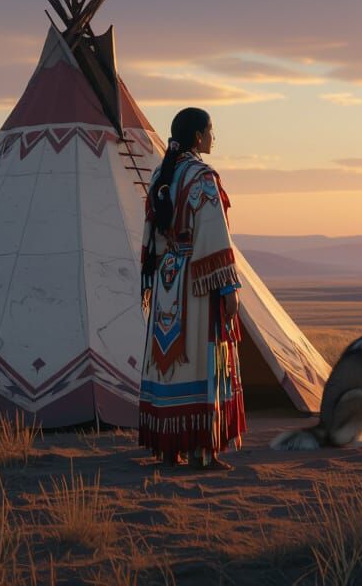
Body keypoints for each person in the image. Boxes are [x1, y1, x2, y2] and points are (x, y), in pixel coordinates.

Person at [138, 107, 245, 470]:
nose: (214, 137)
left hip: (168, 276)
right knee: (202, 359)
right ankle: (203, 450)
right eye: (211, 130)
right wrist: (228, 286)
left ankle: (171, 449)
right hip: (197, 285)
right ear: (199, 136)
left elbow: (150, 235)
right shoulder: (202, 178)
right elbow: (214, 235)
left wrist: (156, 271)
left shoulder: (160, 175)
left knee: (168, 365)